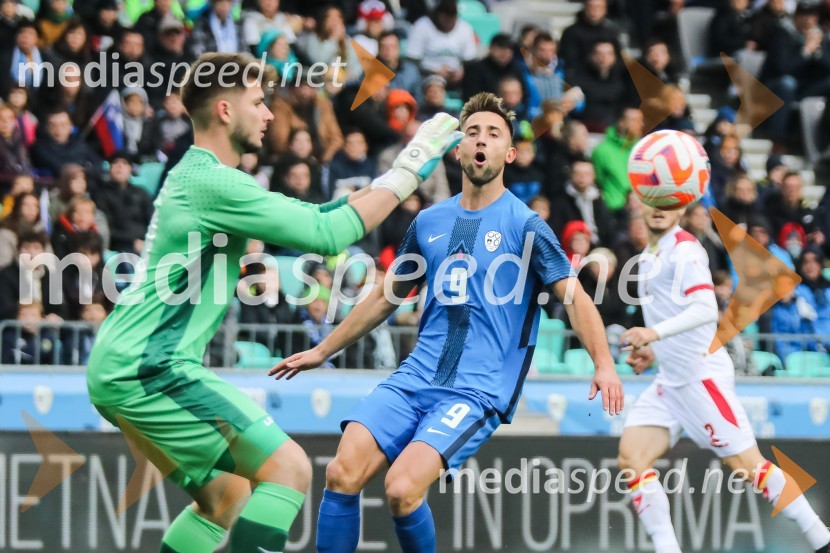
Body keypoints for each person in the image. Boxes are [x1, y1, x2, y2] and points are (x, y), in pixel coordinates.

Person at [85, 52, 463, 553]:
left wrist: (384, 180)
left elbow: (320, 213)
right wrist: (409, 169)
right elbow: (328, 234)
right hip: (148, 366)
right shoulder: (214, 182)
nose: (268, 115)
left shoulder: (202, 176)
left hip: (127, 364)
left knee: (226, 497)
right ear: (224, 110)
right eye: (259, 102)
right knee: (289, 468)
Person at [270, 92, 623, 553]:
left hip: (475, 389)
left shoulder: (526, 225)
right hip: (415, 376)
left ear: (509, 154)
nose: (481, 140)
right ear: (457, 149)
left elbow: (575, 298)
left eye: (493, 134)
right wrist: (323, 349)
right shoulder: (429, 220)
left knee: (401, 489)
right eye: (472, 132)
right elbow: (386, 296)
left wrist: (604, 363)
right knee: (341, 472)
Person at [617, 202, 830, 553]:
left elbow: (704, 309)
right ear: (640, 203)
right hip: (670, 380)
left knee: (750, 468)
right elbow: (677, 317)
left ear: (682, 206)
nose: (660, 208)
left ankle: (821, 539)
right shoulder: (646, 256)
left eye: (670, 200)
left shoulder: (685, 250)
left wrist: (653, 334)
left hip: (702, 380)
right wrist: (656, 350)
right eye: (654, 199)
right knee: (632, 459)